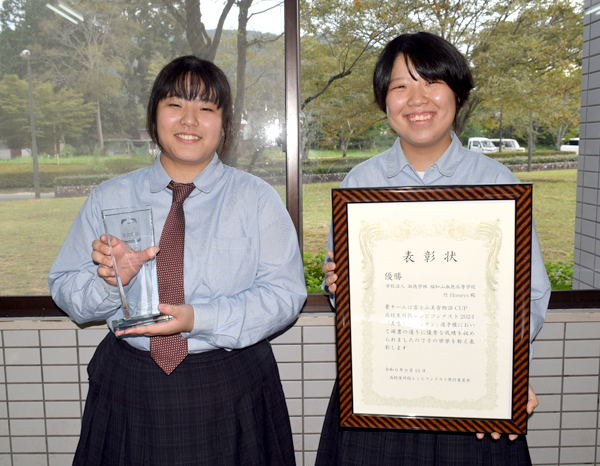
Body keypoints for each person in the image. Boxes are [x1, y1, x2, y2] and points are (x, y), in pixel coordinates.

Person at [49, 56, 307, 466]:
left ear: (225, 125)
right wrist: (112, 279)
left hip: (231, 378)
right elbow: (68, 292)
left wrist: (198, 318)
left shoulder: (256, 198)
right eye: (175, 105)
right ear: (154, 116)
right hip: (131, 381)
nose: (190, 120)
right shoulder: (109, 197)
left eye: (206, 108)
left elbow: (285, 295)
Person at [315, 32, 551, 466]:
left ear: (456, 94)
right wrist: (340, 287)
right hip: (382, 388)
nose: (417, 98)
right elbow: (347, 299)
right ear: (384, 102)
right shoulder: (358, 185)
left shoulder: (499, 185)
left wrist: (508, 376)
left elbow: (529, 293)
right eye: (400, 86)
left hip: (472, 392)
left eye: (431, 82)